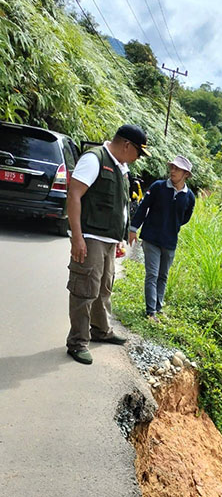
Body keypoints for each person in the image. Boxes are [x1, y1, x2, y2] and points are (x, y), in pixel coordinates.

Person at [66, 124, 150, 365]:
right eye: (138, 152)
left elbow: (120, 206)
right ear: (127, 145)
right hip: (91, 238)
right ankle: (78, 342)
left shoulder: (120, 167)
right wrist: (77, 237)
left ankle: (101, 331)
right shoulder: (94, 160)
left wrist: (119, 238)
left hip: (108, 241)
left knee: (104, 289)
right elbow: (74, 195)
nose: (137, 159)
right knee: (84, 290)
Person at [128, 155, 195, 321]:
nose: (172, 171)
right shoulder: (158, 187)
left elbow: (185, 218)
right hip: (151, 238)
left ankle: (158, 306)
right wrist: (133, 228)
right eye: (172, 167)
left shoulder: (189, 197)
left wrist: (172, 225)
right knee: (152, 274)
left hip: (170, 241)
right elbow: (143, 207)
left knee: (163, 276)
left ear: (186, 174)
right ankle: (151, 312)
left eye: (177, 169)